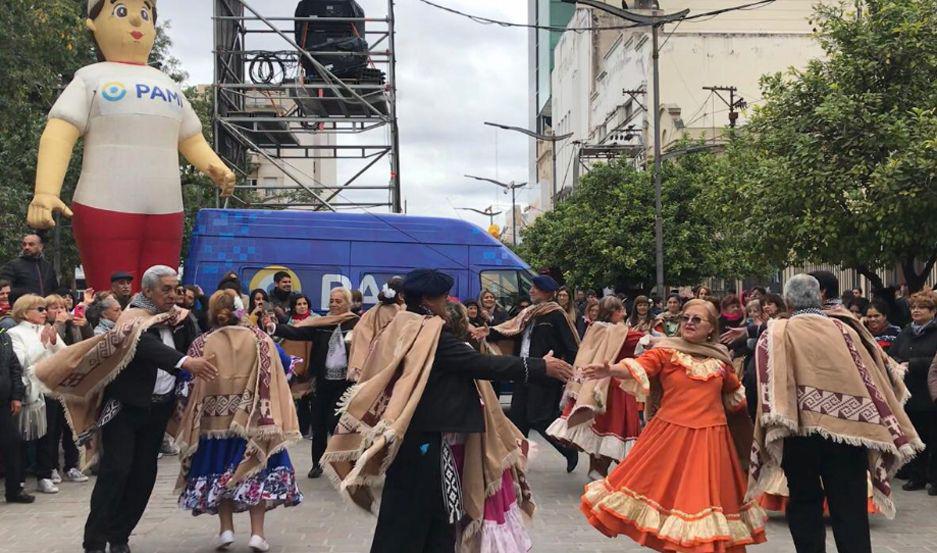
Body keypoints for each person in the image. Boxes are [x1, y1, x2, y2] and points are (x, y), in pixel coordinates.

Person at [321, 269, 573, 553]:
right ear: (428, 300)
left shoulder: (400, 323)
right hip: (426, 438)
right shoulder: (431, 334)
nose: (446, 303)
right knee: (416, 519)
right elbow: (479, 364)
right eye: (442, 297)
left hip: (413, 436)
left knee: (429, 517)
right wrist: (540, 367)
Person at [27, 0, 235, 292]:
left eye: (145, 14)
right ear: (93, 25)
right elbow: (60, 131)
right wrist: (45, 192)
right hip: (104, 206)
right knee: (113, 296)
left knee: (162, 296)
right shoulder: (90, 78)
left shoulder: (168, 84)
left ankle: (158, 337)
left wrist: (217, 168)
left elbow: (190, 138)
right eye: (122, 11)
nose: (137, 22)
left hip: (167, 210)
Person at [31, 265, 215, 553]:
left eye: (175, 288)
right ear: (147, 291)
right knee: (116, 471)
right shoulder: (133, 317)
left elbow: (197, 344)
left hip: (158, 410)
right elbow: (142, 345)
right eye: (165, 289)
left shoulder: (179, 318)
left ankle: (119, 537)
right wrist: (184, 363)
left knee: (144, 476)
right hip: (125, 409)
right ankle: (94, 542)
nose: (172, 295)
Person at [748, 274, 922, 553]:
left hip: (797, 433)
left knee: (804, 501)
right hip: (849, 433)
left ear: (788, 303)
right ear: (819, 298)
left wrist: (767, 422)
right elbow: (877, 374)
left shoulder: (777, 333)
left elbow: (754, 382)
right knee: (850, 506)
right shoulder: (848, 330)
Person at [580, 299, 766, 552]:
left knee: (703, 508)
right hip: (671, 439)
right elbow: (640, 366)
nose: (689, 323)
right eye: (685, 318)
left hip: (712, 442)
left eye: (696, 319)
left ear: (711, 327)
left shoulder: (721, 361)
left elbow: (736, 401)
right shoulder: (666, 351)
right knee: (674, 505)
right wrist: (610, 370)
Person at [175, 291, 302, 553]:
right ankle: (257, 535)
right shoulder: (260, 340)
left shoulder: (202, 343)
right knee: (256, 471)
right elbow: (286, 363)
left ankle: (226, 530)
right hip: (254, 421)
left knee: (221, 474)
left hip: (212, 425)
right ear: (240, 310)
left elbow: (186, 382)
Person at [481, 274, 580, 472]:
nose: (531, 291)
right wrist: (485, 332)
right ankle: (516, 463)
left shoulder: (556, 315)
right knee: (518, 419)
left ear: (546, 292)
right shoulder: (527, 313)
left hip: (545, 375)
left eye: (535, 288)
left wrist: (567, 372)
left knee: (540, 418)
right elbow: (508, 330)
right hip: (523, 370)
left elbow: (573, 347)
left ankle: (568, 450)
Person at [548, 296, 644, 480]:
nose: (624, 313)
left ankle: (597, 468)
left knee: (597, 429)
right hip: (616, 387)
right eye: (621, 310)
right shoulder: (623, 333)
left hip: (593, 387)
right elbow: (644, 344)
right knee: (615, 430)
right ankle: (610, 472)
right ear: (615, 312)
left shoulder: (594, 329)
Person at [268, 288, 359, 478]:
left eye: (338, 301)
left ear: (348, 303)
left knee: (338, 424)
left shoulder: (356, 323)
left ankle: (345, 463)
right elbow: (297, 331)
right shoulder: (321, 323)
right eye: (331, 300)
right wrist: (274, 328)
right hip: (322, 381)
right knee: (318, 424)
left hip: (345, 383)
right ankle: (317, 464)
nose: (334, 304)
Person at [8, 294, 63, 494]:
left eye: (44, 309)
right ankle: (19, 479)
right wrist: (41, 344)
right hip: (30, 392)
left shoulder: (45, 329)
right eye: (39, 309)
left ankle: (45, 475)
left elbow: (64, 354)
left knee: (49, 435)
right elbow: (21, 362)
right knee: (24, 437)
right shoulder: (15, 333)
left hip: (50, 389)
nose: (44, 313)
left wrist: (54, 340)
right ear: (24, 312)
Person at [890, 291, 937, 495]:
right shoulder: (906, 332)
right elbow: (892, 354)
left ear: (933, 312)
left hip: (930, 393)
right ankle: (916, 476)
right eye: (913, 307)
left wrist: (914, 364)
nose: (916, 311)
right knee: (913, 435)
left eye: (921, 307)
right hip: (909, 393)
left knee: (933, 439)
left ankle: (934, 478)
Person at [41, 295, 90, 485]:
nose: (60, 311)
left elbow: (89, 342)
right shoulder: (45, 328)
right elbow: (54, 347)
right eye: (54, 307)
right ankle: (52, 466)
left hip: (73, 383)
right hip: (54, 384)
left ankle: (72, 465)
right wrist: (59, 324)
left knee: (72, 427)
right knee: (53, 429)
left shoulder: (73, 325)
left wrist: (84, 325)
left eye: (62, 306)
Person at [347, 277, 404, 382]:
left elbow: (360, 334)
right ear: (401, 296)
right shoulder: (400, 313)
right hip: (388, 366)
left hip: (368, 365)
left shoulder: (373, 311)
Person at [0, 325, 32, 503]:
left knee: (13, 443)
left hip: (3, 403)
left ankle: (14, 490)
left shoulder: (4, 337)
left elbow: (14, 368)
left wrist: (16, 396)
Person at [0, 234, 59, 298]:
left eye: (31, 244)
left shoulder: (48, 267)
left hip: (45, 306)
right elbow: (5, 289)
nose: (26, 247)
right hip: (22, 306)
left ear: (40, 247)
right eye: (24, 244)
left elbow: (54, 290)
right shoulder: (12, 265)